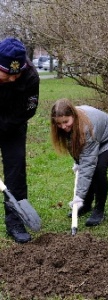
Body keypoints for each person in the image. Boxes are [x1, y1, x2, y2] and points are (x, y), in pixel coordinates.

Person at [50, 99, 108, 227]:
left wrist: (79, 196)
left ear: (73, 115)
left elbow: (88, 163)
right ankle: (86, 205)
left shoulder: (86, 127)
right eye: (59, 123)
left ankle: (99, 209)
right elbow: (73, 145)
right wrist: (77, 161)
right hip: (98, 138)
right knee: (87, 167)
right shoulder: (66, 127)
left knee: (98, 168)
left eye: (66, 122)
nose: (63, 126)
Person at [0, 37, 39, 243]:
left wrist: (4, 126)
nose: (14, 79)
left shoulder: (30, 76)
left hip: (14, 126)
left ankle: (15, 222)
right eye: (7, 74)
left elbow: (28, 111)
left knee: (16, 171)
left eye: (17, 74)